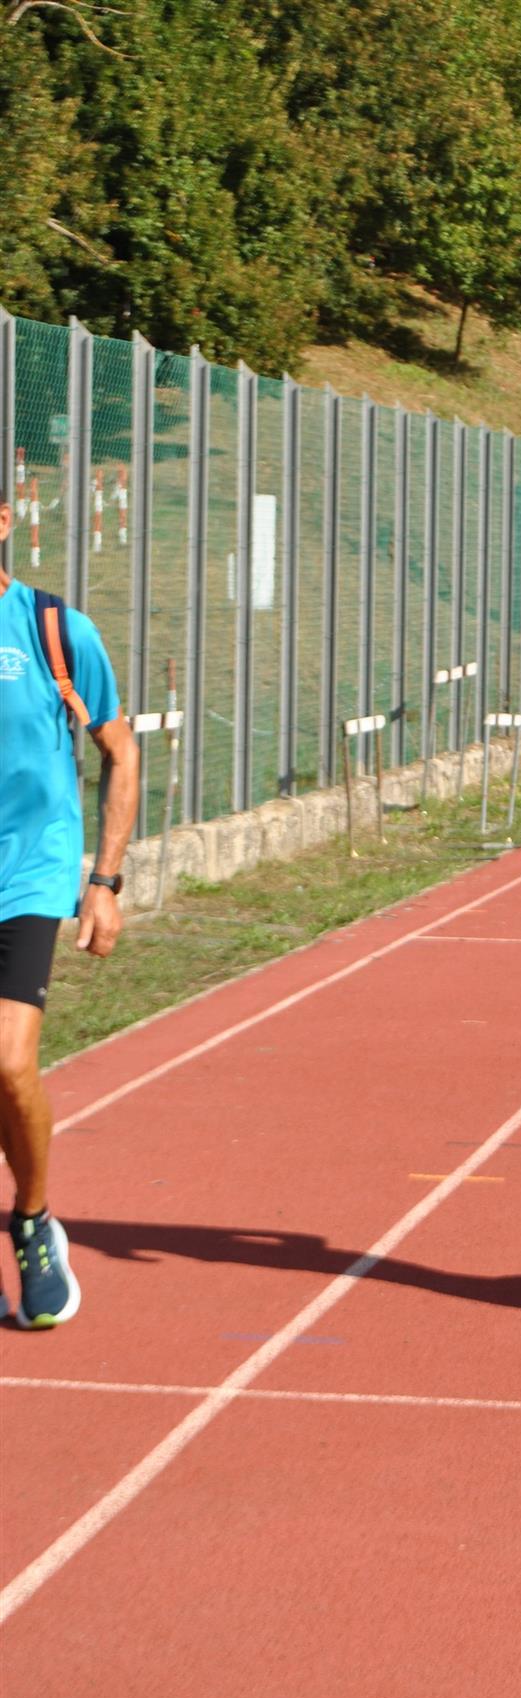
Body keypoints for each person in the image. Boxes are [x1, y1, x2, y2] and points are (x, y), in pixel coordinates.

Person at [0, 480, 138, 1327]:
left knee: (8, 1065)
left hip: (27, 872)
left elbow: (121, 752)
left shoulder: (55, 629)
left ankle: (32, 1221)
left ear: (3, 520)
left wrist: (105, 882)